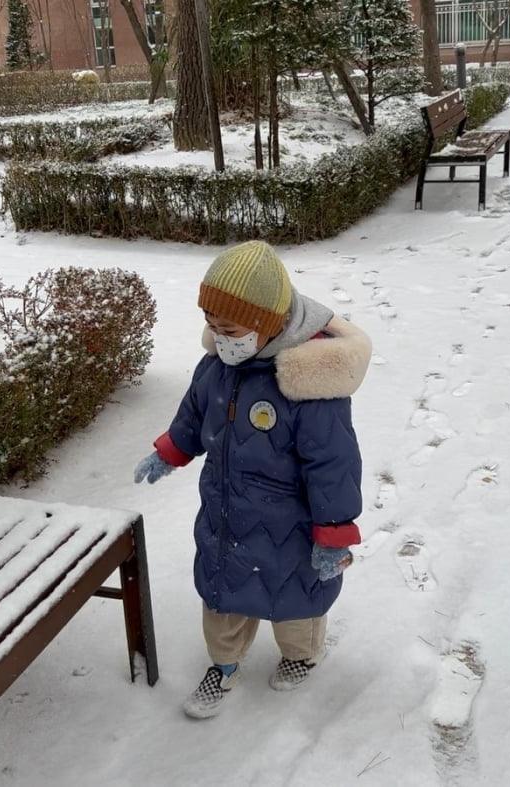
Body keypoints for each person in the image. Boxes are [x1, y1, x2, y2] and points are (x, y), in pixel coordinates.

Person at [134, 240, 371, 719]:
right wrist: (171, 451)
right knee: (222, 593)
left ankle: (301, 654)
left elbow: (333, 463)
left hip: (293, 524)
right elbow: (194, 414)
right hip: (227, 513)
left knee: (296, 600)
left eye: (231, 328)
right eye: (212, 325)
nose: (220, 337)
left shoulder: (308, 381)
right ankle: (223, 665)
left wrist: (333, 534)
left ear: (268, 323)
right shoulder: (217, 366)